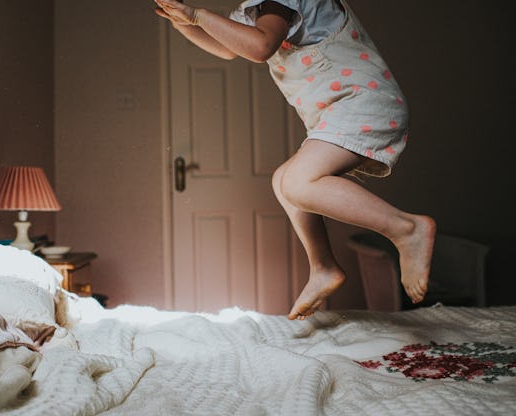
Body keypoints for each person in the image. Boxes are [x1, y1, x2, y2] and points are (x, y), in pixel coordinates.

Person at [154, 0, 436, 320]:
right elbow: (227, 48)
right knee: (283, 179)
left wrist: (197, 15)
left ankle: (407, 228)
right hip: (339, 110)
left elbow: (261, 46)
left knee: (298, 182)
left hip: (361, 103)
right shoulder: (255, 8)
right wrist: (182, 22)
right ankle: (323, 267)